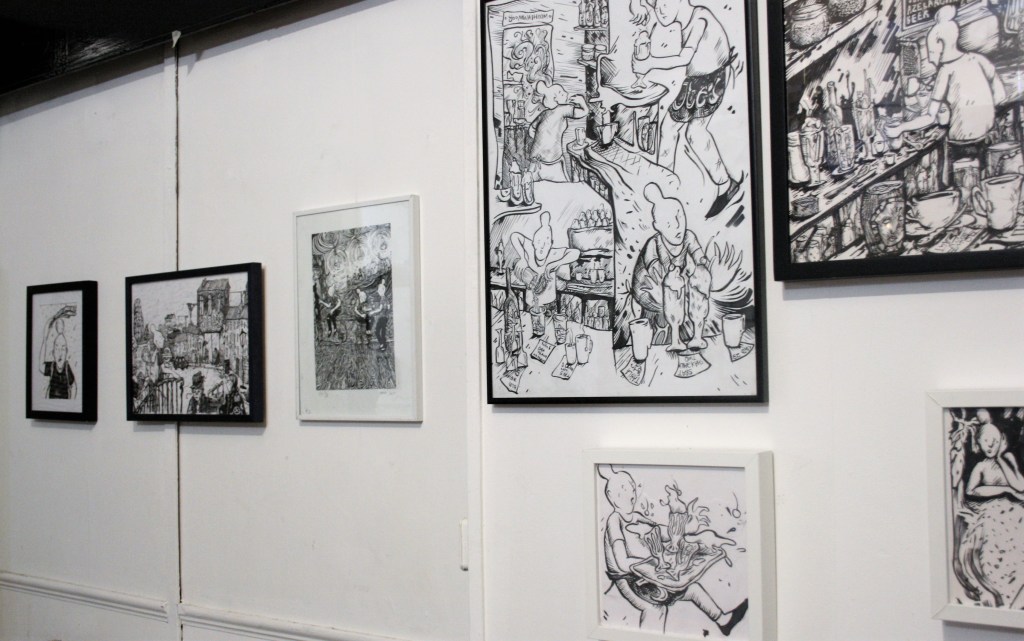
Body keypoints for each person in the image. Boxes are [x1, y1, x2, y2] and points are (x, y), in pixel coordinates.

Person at [599, 465, 747, 635]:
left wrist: (684, 527)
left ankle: (723, 621)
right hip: (628, 578)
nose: (629, 495)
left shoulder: (637, 517)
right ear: (611, 496)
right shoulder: (614, 521)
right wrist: (650, 563)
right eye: (622, 492)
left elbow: (662, 532)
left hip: (648, 572)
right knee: (655, 608)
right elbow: (622, 563)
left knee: (692, 589)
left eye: (631, 489)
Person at [630, 0, 741, 218]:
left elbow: (684, 58)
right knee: (670, 130)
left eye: (663, 3)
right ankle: (665, 189)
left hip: (710, 80)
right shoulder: (684, 20)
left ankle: (723, 185)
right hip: (698, 81)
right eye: (655, 6)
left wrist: (649, 63)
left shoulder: (699, 18)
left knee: (693, 133)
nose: (659, 11)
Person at [887, 6, 1006, 175]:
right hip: (989, 135)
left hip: (964, 144)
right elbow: (1000, 94)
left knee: (958, 178)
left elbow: (930, 116)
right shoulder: (976, 58)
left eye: (931, 52)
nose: (930, 59)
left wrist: (901, 128)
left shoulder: (946, 70)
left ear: (941, 44)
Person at [631, 184, 709, 347]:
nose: (677, 227)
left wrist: (701, 262)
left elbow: (697, 253)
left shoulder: (688, 236)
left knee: (686, 300)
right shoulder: (654, 243)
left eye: (680, 217)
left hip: (672, 287)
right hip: (649, 290)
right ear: (657, 226)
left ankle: (689, 338)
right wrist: (672, 274)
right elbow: (654, 268)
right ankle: (667, 340)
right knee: (665, 308)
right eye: (668, 224)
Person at [510, 211, 580, 318]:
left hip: (549, 305)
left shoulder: (554, 254)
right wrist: (523, 258)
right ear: (533, 242)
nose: (542, 246)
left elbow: (576, 253)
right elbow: (514, 236)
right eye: (538, 242)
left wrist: (555, 264)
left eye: (546, 243)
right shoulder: (529, 250)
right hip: (530, 304)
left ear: (551, 244)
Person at [527, 80, 587, 182]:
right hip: (552, 162)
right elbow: (584, 112)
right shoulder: (563, 109)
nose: (566, 93)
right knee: (563, 187)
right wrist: (582, 102)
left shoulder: (544, 113)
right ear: (555, 99)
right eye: (562, 93)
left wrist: (541, 142)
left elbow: (531, 129)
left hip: (535, 161)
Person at [966, 410, 1024, 501]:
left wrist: (999, 458)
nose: (990, 445)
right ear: (979, 442)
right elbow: (969, 491)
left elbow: (1021, 487)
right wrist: (1006, 489)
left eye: (995, 441)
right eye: (986, 440)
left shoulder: (1008, 457)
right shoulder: (981, 466)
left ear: (1002, 441)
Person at [38, 305, 77, 400]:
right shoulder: (51, 367)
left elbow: (74, 386)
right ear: (53, 353)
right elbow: (40, 366)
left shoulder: (67, 369)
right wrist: (56, 316)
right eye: (57, 348)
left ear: (66, 352)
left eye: (63, 349)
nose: (60, 353)